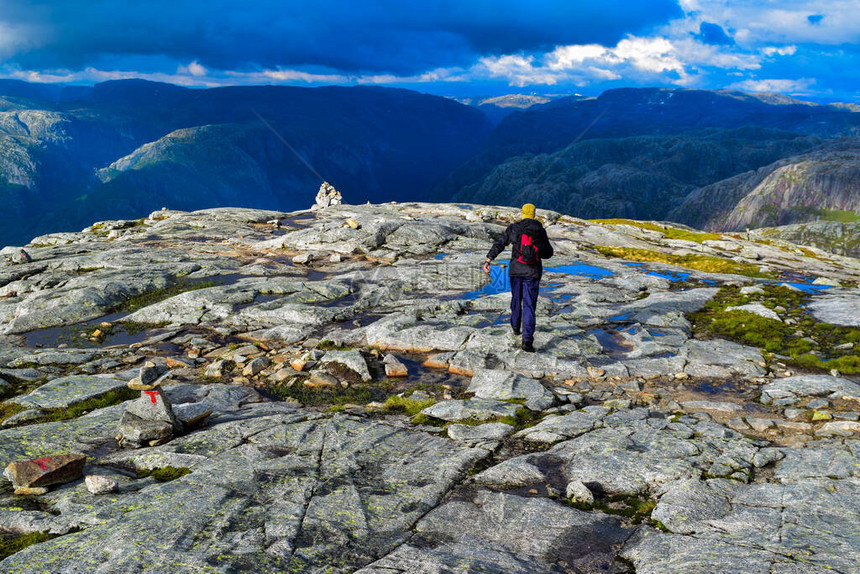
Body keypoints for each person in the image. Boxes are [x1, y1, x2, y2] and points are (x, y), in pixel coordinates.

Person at [483, 203, 554, 352]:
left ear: (522, 214)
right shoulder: (540, 230)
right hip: (533, 272)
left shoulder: (514, 228)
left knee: (516, 300)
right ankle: (527, 341)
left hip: (516, 270)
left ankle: (515, 328)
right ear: (534, 214)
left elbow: (500, 243)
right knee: (529, 305)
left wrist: (489, 260)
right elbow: (548, 253)